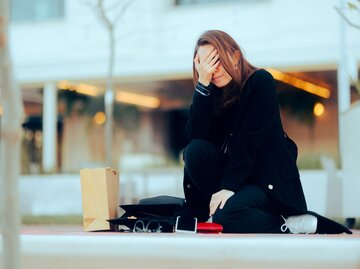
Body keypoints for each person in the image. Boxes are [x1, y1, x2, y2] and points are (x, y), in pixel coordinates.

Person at [182, 30, 351, 234]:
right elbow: (197, 138)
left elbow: (248, 141)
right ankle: (223, 210)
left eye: (216, 60)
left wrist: (228, 187)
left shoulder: (260, 82)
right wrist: (202, 85)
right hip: (238, 183)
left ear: (235, 57)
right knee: (195, 151)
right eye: (205, 64)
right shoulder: (213, 95)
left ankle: (290, 224)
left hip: (268, 184)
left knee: (226, 217)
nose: (212, 70)